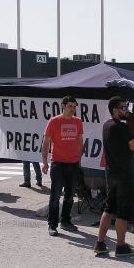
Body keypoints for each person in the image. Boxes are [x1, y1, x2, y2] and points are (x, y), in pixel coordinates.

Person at [94, 96, 134, 257]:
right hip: (124, 174)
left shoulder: (106, 125)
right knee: (123, 212)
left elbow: (129, 145)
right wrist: (131, 143)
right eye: (123, 108)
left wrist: (130, 144)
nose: (126, 110)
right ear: (114, 110)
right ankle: (121, 246)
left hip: (112, 173)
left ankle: (100, 243)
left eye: (126, 106)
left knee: (109, 208)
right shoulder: (120, 127)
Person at [42, 96, 83, 236]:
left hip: (73, 164)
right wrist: (45, 162)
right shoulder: (54, 121)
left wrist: (79, 159)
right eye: (70, 106)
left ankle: (65, 221)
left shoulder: (78, 121)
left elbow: (80, 141)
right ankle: (52, 225)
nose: (72, 109)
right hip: (58, 164)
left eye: (74, 106)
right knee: (55, 196)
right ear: (63, 106)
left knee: (70, 196)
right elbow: (46, 142)